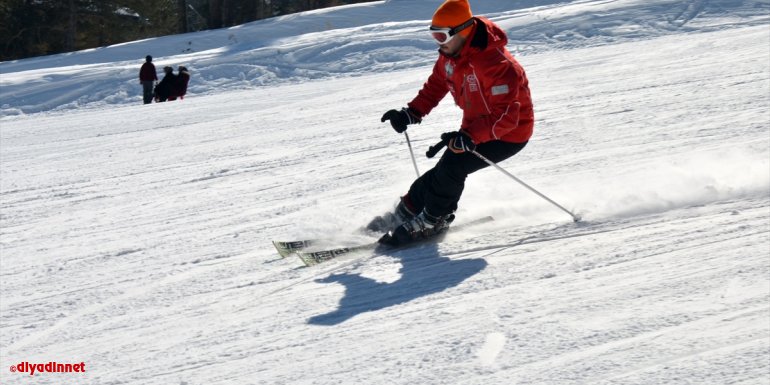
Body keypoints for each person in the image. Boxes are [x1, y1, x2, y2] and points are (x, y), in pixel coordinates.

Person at [375, 0, 534, 246]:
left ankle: (434, 220)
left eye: (441, 36)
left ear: (463, 31)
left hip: (508, 134)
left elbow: (507, 116)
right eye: (434, 36)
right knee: (443, 170)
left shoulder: (498, 66)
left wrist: (470, 137)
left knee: (453, 166)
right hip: (474, 129)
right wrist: (411, 113)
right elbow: (436, 86)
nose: (438, 43)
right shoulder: (450, 56)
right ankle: (406, 211)